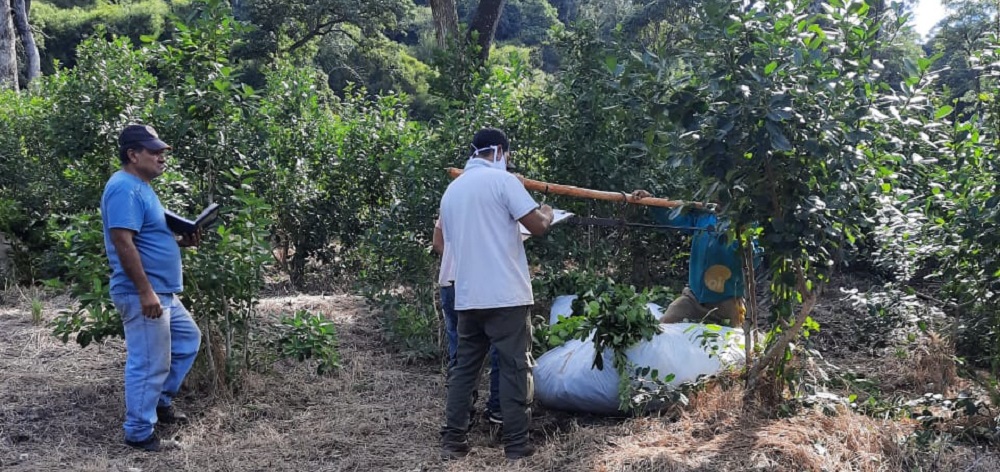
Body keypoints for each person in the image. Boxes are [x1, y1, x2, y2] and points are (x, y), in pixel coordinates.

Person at [439, 128, 553, 461]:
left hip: (468, 296)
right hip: (506, 296)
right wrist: (545, 207)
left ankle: (453, 440)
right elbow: (539, 226)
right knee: (516, 367)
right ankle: (516, 445)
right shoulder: (504, 183)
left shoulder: (452, 190)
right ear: (500, 151)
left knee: (465, 369)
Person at [102, 124, 202, 452]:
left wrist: (179, 243)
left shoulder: (141, 186)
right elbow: (122, 241)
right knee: (148, 361)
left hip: (162, 291)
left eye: (162, 151)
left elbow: (144, 238)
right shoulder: (124, 188)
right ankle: (139, 432)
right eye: (154, 151)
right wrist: (146, 292)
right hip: (144, 292)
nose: (162, 157)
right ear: (133, 155)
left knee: (188, 339)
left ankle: (159, 401)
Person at [633, 190, 751, 327]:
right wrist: (653, 203)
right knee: (665, 324)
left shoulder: (744, 224)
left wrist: (743, 245)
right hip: (694, 298)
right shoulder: (703, 217)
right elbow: (674, 219)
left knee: (734, 341)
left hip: (727, 301)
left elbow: (754, 258)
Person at [433, 218, 503, 425]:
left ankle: (460, 414)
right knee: (500, 345)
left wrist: (457, 263)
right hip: (483, 283)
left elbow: (437, 243)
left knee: (460, 350)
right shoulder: (492, 202)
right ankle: (498, 410)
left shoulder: (452, 197)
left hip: (450, 282)